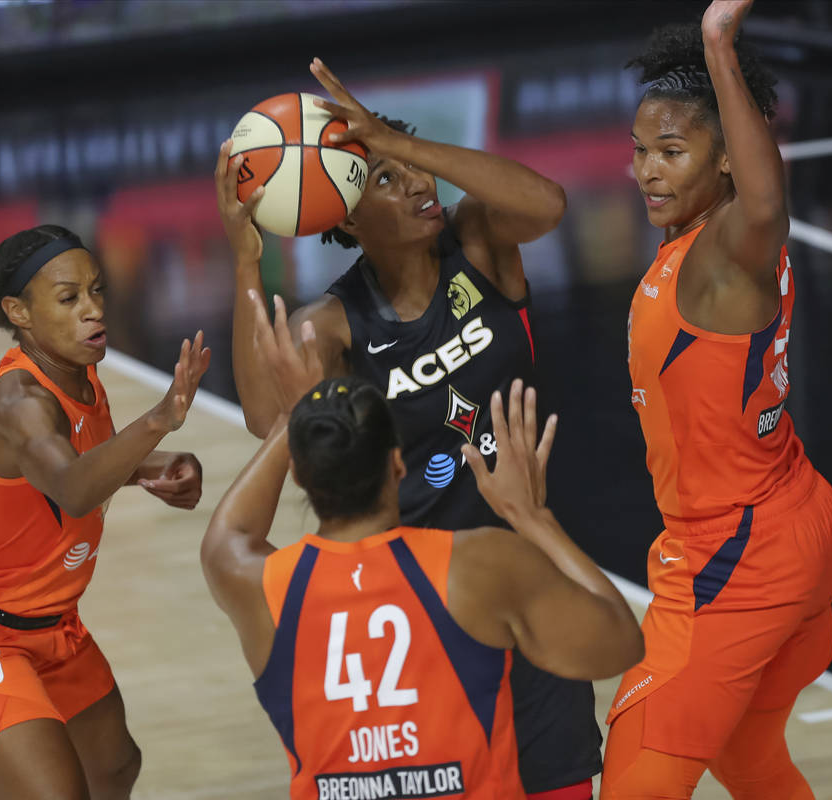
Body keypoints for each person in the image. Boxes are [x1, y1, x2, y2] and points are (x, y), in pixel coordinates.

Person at [215, 58, 603, 797]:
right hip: (436, 597)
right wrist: (245, 259)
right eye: (386, 179)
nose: (418, 185)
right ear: (347, 213)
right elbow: (270, 421)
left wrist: (395, 142)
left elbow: (548, 204)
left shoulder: (481, 243)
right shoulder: (331, 322)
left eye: (413, 166)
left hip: (528, 567)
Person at [200, 302, 643, 799]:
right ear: (397, 464)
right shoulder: (479, 565)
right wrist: (532, 518)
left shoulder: (260, 588)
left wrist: (294, 413)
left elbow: (227, 534)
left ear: (298, 473)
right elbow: (622, 641)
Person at [600, 2, 832, 798]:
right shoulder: (704, 249)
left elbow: (769, 206)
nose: (648, 170)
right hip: (793, 514)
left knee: (635, 778)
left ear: (730, 161)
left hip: (731, 556)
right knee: (748, 758)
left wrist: (719, 46)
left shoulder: (724, 258)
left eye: (672, 151)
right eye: (641, 151)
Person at [0, 224, 211, 799]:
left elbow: (78, 461)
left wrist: (152, 465)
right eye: (69, 299)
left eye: (97, 291)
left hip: (53, 624)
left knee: (116, 768)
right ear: (19, 311)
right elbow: (72, 486)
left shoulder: (78, 373)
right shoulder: (19, 402)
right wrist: (159, 420)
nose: (93, 310)